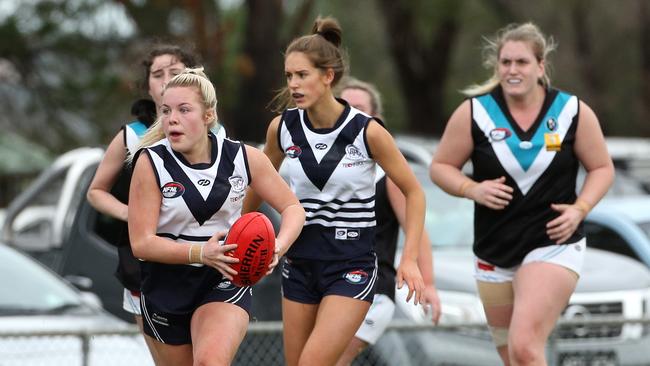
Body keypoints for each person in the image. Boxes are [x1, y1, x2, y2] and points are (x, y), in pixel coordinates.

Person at [243, 16, 426, 366]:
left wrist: (411, 258)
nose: (293, 84)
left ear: (328, 76)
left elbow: (414, 192)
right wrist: (242, 232)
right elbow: (258, 183)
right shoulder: (282, 129)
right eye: (289, 76)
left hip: (350, 265)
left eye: (302, 75)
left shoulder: (367, 132)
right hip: (298, 264)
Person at [429, 22, 614, 365]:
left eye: (522, 62)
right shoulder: (475, 113)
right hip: (494, 248)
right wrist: (472, 188)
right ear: (497, 66)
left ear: (540, 67)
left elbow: (603, 168)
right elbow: (440, 167)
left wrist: (580, 208)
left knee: (526, 347)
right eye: (506, 63)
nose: (512, 70)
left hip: (554, 243)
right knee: (512, 356)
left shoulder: (571, 111)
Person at [127, 67, 305, 366]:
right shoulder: (151, 162)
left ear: (208, 116)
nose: (172, 118)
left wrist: (278, 246)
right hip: (165, 284)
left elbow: (294, 209)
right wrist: (200, 252)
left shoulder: (243, 157)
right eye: (167, 110)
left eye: (184, 110)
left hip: (226, 277)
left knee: (210, 362)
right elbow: (142, 243)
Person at [86, 43, 205, 363]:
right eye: (157, 74)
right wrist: (132, 213)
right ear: (148, 85)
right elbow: (96, 191)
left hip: (202, 260)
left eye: (175, 72)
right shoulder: (131, 136)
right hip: (144, 267)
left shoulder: (212, 131)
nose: (166, 79)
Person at [336, 77, 441, 365]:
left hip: (373, 287)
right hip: (328, 282)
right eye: (343, 107)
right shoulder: (324, 170)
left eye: (358, 108)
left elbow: (416, 229)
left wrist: (428, 283)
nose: (350, 114)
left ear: (375, 119)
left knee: (332, 357)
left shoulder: (387, 175)